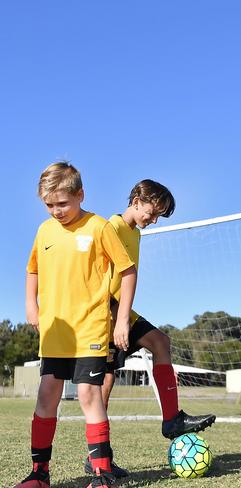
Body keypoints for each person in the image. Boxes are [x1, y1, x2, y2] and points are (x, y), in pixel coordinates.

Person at [84, 179, 216, 477]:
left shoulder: (135, 234)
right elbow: (98, 279)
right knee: (103, 386)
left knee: (160, 342)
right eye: (152, 212)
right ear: (136, 200)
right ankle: (96, 459)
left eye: (158, 216)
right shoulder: (111, 228)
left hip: (123, 313)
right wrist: (117, 319)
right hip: (105, 313)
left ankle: (171, 419)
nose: (153, 220)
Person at [17, 162, 137, 488]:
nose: (56, 211)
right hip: (56, 332)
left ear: (80, 194)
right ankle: (39, 474)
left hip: (90, 329)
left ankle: (101, 474)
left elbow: (127, 271)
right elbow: (32, 270)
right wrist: (32, 306)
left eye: (63, 204)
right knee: (46, 397)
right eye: (49, 205)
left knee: (88, 395)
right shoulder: (44, 231)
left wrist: (122, 318)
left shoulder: (99, 227)